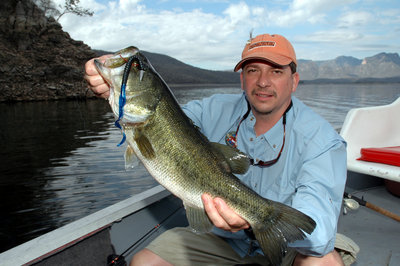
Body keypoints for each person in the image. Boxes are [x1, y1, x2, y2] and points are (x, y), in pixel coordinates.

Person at [85, 34, 348, 265]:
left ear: (294, 81)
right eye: (253, 70)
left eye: (276, 72)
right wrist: (112, 85)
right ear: (242, 80)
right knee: (145, 262)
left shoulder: (322, 140)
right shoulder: (213, 109)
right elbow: (169, 122)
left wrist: (255, 221)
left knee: (323, 262)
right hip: (223, 240)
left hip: (290, 247)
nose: (263, 82)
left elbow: (320, 229)